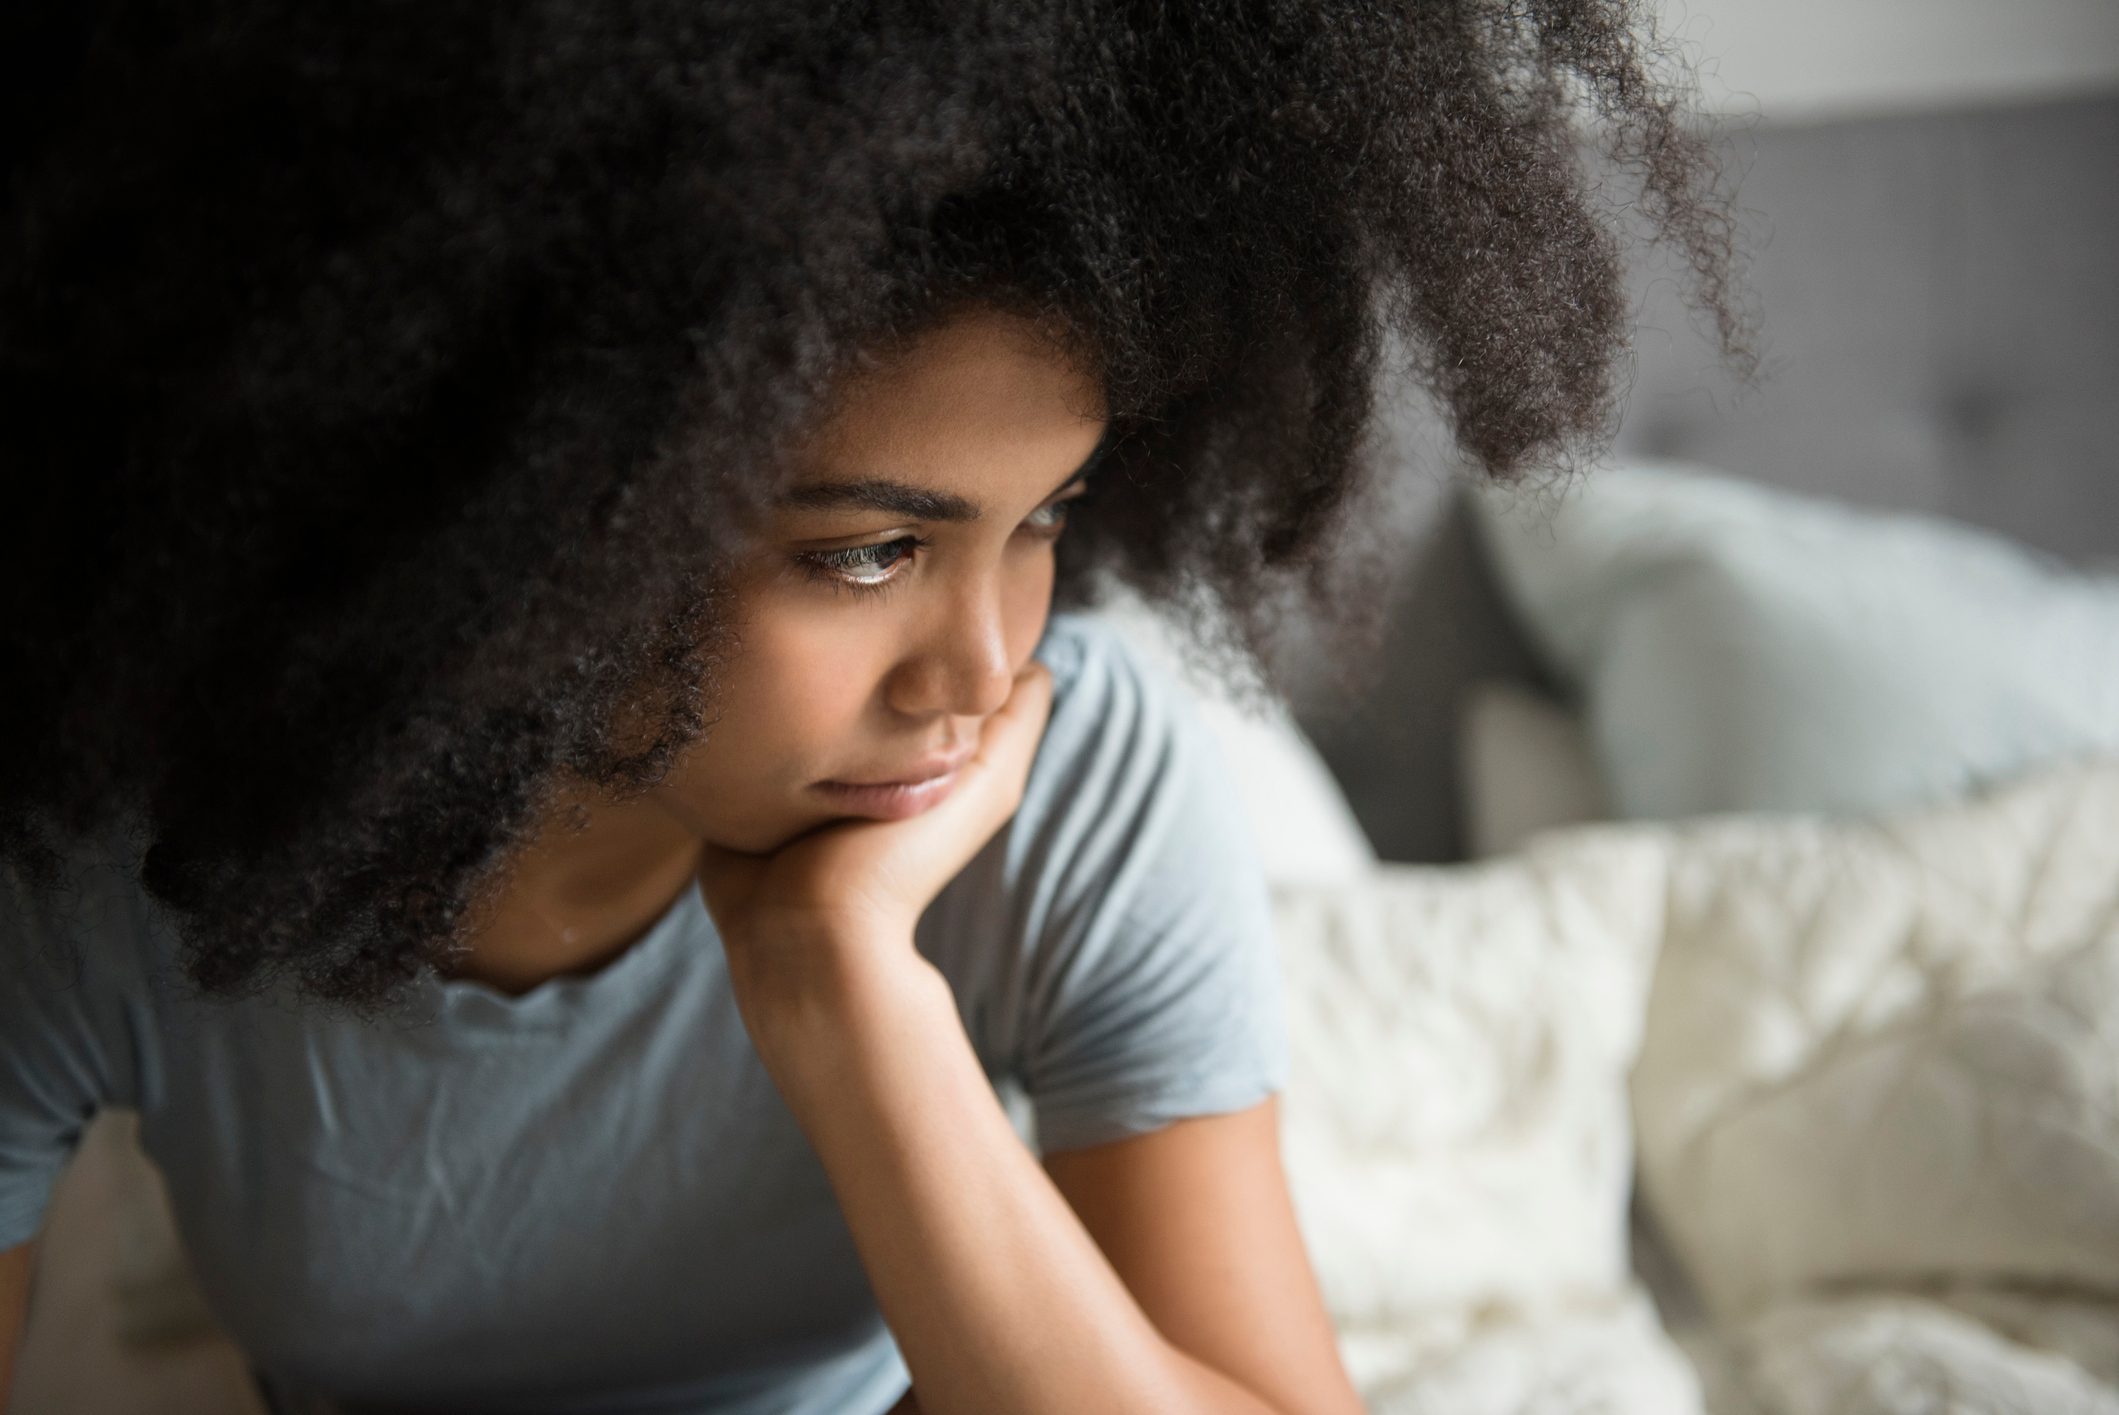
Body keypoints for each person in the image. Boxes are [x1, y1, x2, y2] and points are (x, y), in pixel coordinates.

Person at [0, 3, 1746, 1412]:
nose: (982, 670)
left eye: (1044, 523)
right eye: (863, 554)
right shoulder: (114, 854)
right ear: (529, 515)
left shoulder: (1078, 763)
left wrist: (848, 1001)